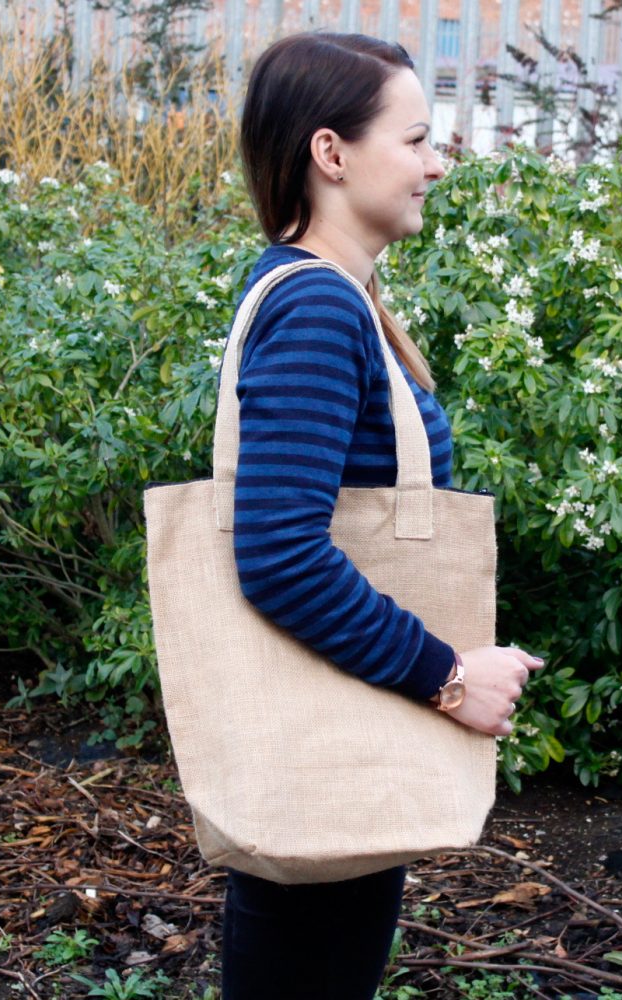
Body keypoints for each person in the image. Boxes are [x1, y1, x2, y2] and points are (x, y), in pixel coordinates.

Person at [223, 32, 544, 1000]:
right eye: (414, 139)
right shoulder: (319, 309)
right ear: (331, 153)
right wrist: (448, 676)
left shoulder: (328, 295)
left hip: (335, 727)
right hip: (331, 737)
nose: (435, 163)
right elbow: (278, 554)